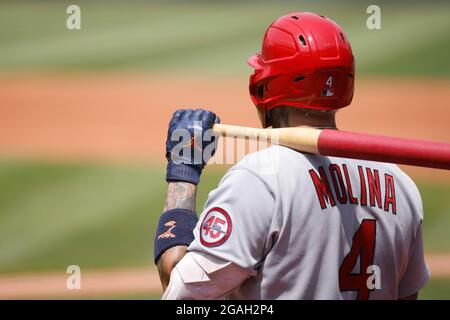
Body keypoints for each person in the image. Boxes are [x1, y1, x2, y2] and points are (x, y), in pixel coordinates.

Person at [153, 12, 429, 300]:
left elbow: (178, 286)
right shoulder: (401, 185)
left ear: (264, 86)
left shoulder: (259, 180)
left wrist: (182, 173)